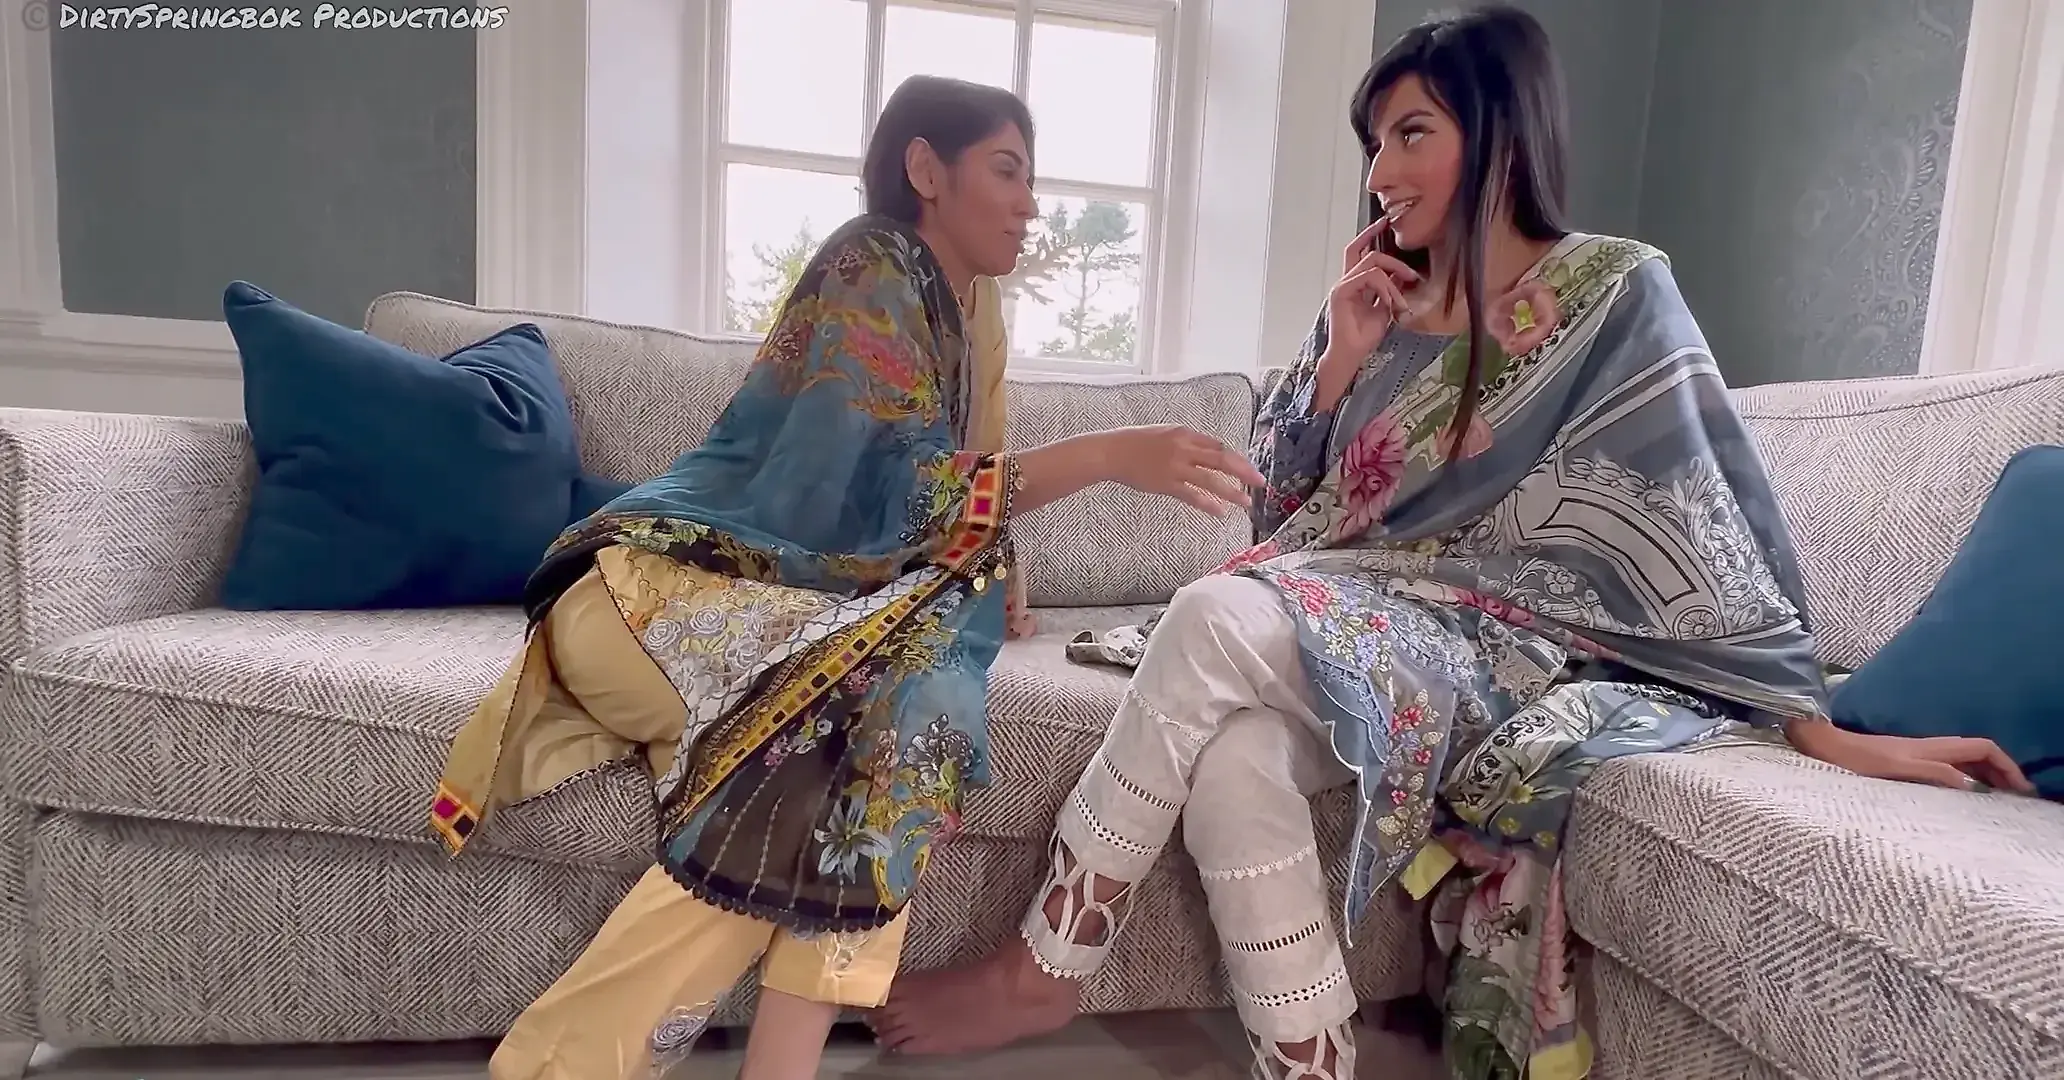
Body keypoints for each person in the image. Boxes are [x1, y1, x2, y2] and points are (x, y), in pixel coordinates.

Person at [876, 10, 2035, 1080]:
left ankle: (1047, 962)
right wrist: (1339, 359)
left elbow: (1708, 509)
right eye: (1375, 142)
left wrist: (1816, 725)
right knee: (1234, 760)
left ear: (1503, 136)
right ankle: (1311, 1065)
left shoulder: (1616, 290)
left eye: (1413, 134)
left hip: (1519, 648)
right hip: (1364, 626)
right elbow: (1283, 523)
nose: (1380, 171)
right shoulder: (1380, 305)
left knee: (1213, 613)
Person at [428, 74, 1265, 1080]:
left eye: (1032, 179)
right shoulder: (870, 265)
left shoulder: (971, 312)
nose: (1030, 205)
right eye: (1006, 171)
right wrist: (1105, 455)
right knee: (855, 727)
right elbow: (890, 490)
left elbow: (963, 477)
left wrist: (1002, 569)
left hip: (771, 619)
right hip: (652, 595)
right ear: (926, 169)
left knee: (897, 730)